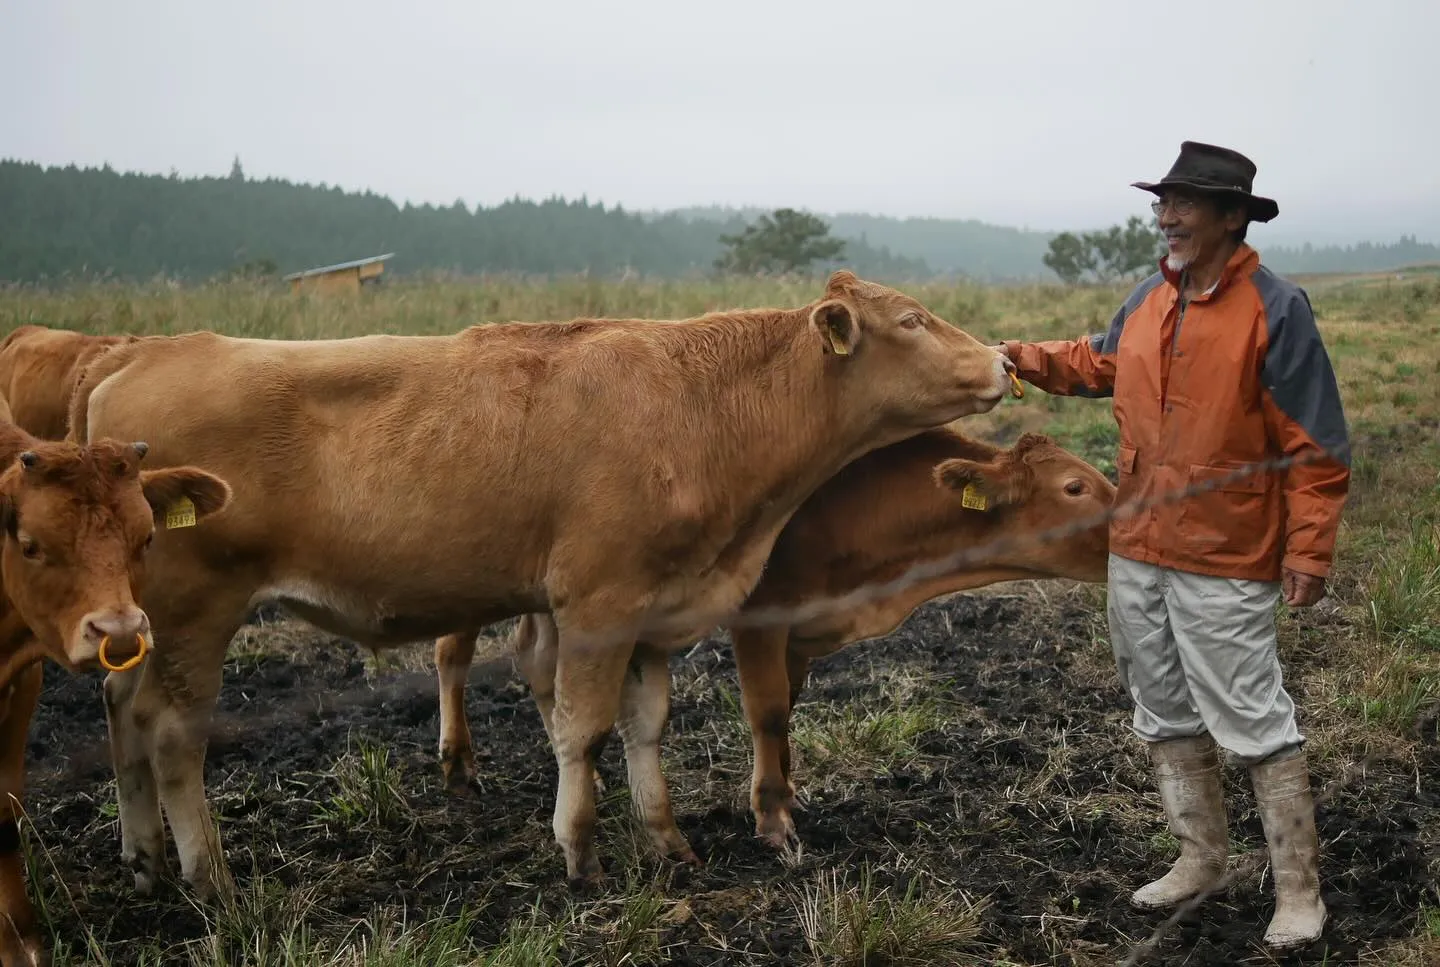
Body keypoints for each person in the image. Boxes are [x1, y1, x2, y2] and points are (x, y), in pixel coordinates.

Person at [996, 141, 1350, 951]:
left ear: (1233, 217)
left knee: (1255, 719)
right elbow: (1097, 362)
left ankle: (1299, 891)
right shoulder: (1149, 299)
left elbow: (1317, 447)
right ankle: (1200, 858)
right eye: (1165, 201)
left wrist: (1309, 550)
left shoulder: (1275, 308)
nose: (1169, 216)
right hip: (1139, 546)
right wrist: (1016, 356)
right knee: (1162, 710)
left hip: (1226, 554)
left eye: (1187, 203)